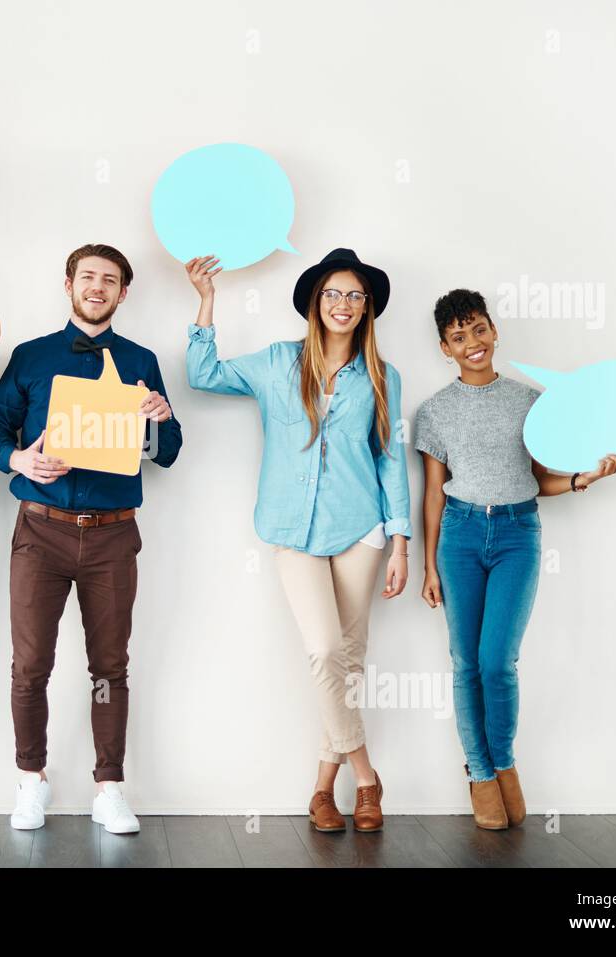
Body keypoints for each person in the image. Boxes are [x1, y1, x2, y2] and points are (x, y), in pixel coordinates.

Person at [185, 247, 411, 833]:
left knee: (349, 660)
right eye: (333, 294)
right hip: (292, 528)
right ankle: (366, 774)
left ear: (367, 309)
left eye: (354, 296)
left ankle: (320, 790)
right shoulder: (277, 363)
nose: (343, 304)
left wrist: (401, 540)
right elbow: (201, 375)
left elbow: (390, 459)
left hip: (361, 529)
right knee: (324, 652)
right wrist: (206, 304)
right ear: (316, 303)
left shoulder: (383, 377)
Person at [0, 243, 182, 834]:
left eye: (110, 280)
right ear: (68, 285)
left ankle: (109, 787)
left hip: (115, 537)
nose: (98, 287)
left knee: (110, 666)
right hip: (40, 532)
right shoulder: (32, 355)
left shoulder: (142, 358)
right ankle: (31, 780)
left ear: (124, 292)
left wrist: (161, 421)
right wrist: (18, 459)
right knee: (30, 665)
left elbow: (166, 456)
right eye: (88, 277)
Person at [414, 288, 616, 829]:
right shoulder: (434, 411)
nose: (473, 343)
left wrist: (584, 478)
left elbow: (537, 481)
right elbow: (434, 493)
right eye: (459, 337)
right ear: (445, 347)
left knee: (496, 662)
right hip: (459, 534)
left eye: (479, 329)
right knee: (465, 663)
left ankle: (504, 763)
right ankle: (481, 774)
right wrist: (430, 564)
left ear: (493, 331)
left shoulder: (529, 402)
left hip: (516, 533)